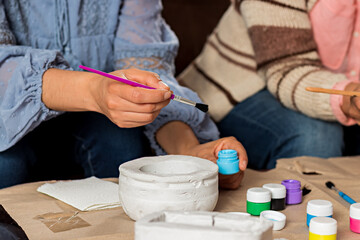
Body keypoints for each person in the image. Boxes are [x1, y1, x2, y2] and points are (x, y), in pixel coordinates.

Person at [0, 0, 247, 189]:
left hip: (98, 124)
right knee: (7, 165)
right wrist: (92, 89)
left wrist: (188, 152)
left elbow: (150, 75)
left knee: (121, 145)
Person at [179, 0, 359, 170]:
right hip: (238, 90)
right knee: (315, 136)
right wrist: (350, 98)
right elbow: (287, 69)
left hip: (337, 92)